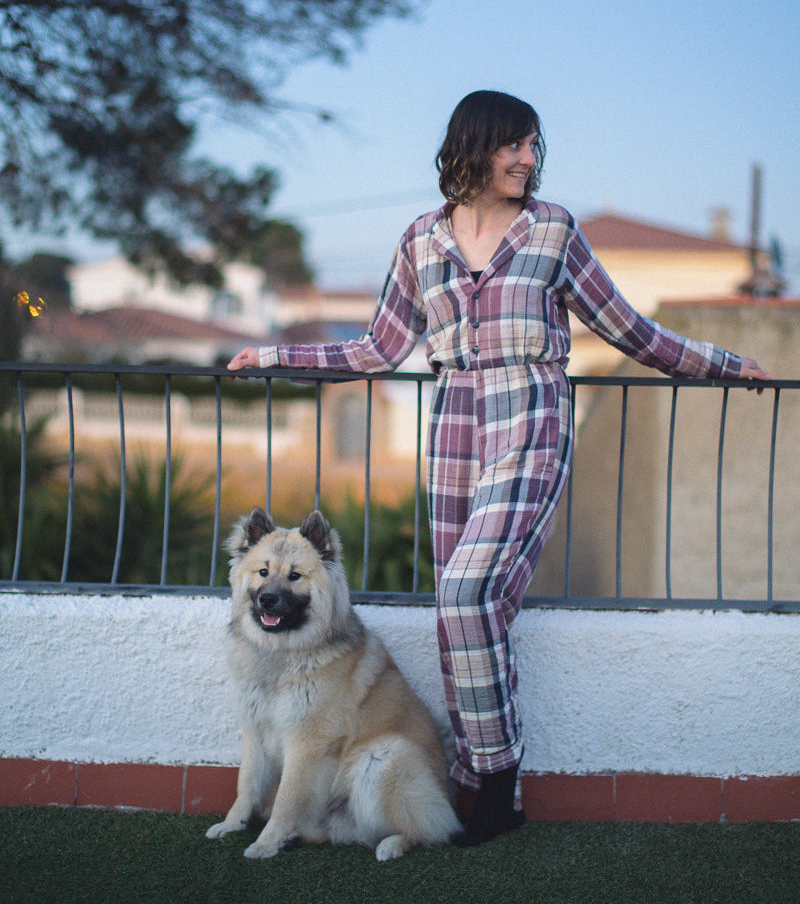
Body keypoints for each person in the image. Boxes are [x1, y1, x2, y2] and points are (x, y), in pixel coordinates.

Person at [228, 90, 771, 846]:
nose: (528, 158)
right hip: (453, 432)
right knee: (465, 619)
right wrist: (276, 356)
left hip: (530, 423)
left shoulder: (553, 232)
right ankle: (479, 781)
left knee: (467, 593)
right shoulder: (422, 240)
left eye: (534, 146)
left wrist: (719, 365)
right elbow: (376, 349)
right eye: (513, 145)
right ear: (472, 146)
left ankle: (498, 776)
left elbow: (630, 329)